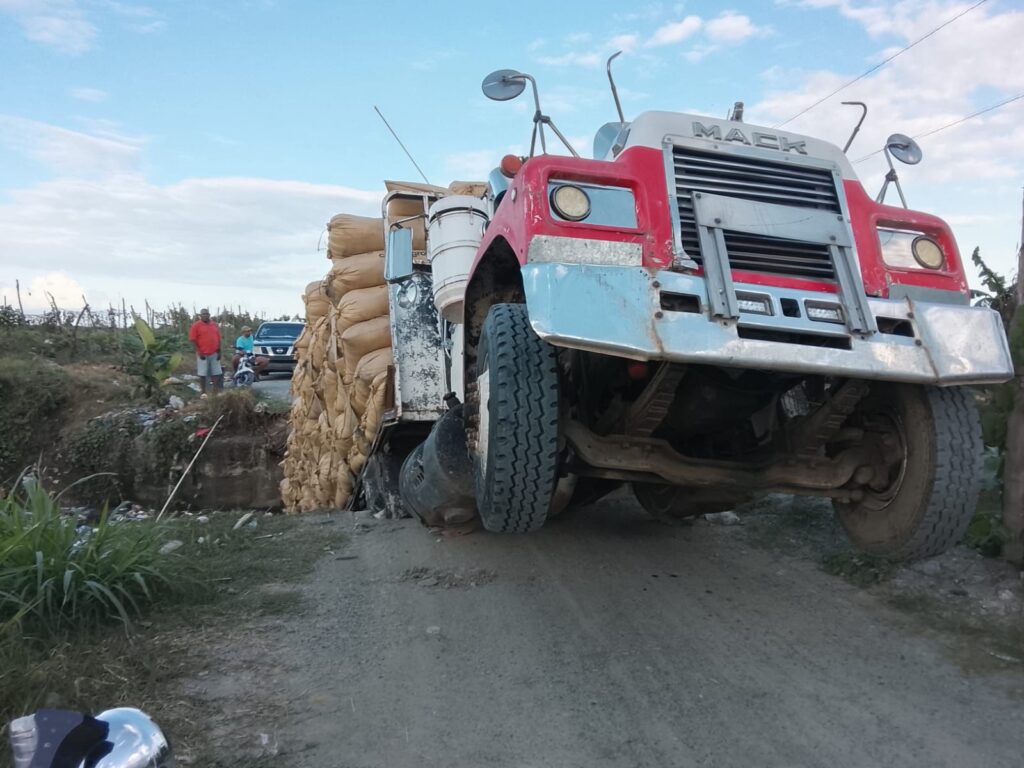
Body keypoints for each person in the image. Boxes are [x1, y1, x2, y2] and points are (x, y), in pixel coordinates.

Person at [188, 308, 222, 395]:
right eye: (203, 314)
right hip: (202, 353)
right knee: (202, 373)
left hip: (214, 352)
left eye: (207, 314)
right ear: (200, 316)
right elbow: (193, 340)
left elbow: (218, 338)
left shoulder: (214, 325)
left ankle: (215, 391)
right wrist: (199, 351)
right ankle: (203, 392)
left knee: (217, 373)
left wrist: (219, 351)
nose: (205, 316)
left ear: (209, 315)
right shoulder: (196, 326)